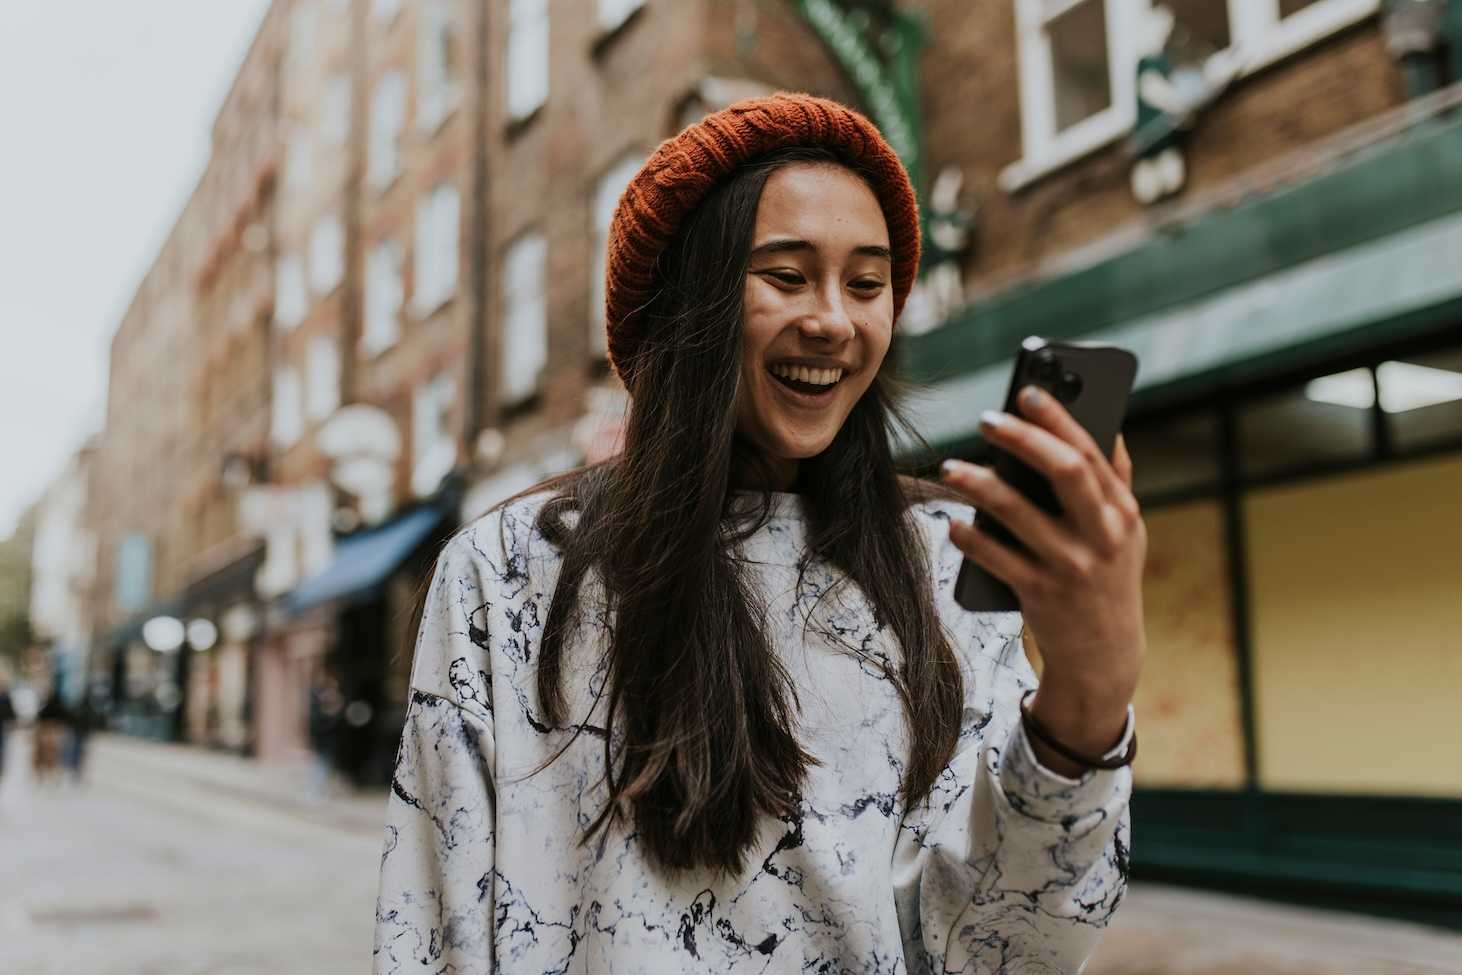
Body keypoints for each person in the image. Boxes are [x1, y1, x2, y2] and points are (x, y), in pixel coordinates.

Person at [374, 93, 1146, 974]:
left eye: (867, 283)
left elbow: (1002, 951)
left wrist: (1087, 698)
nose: (834, 320)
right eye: (785, 274)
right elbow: (434, 932)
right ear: (687, 303)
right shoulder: (510, 570)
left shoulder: (944, 556)